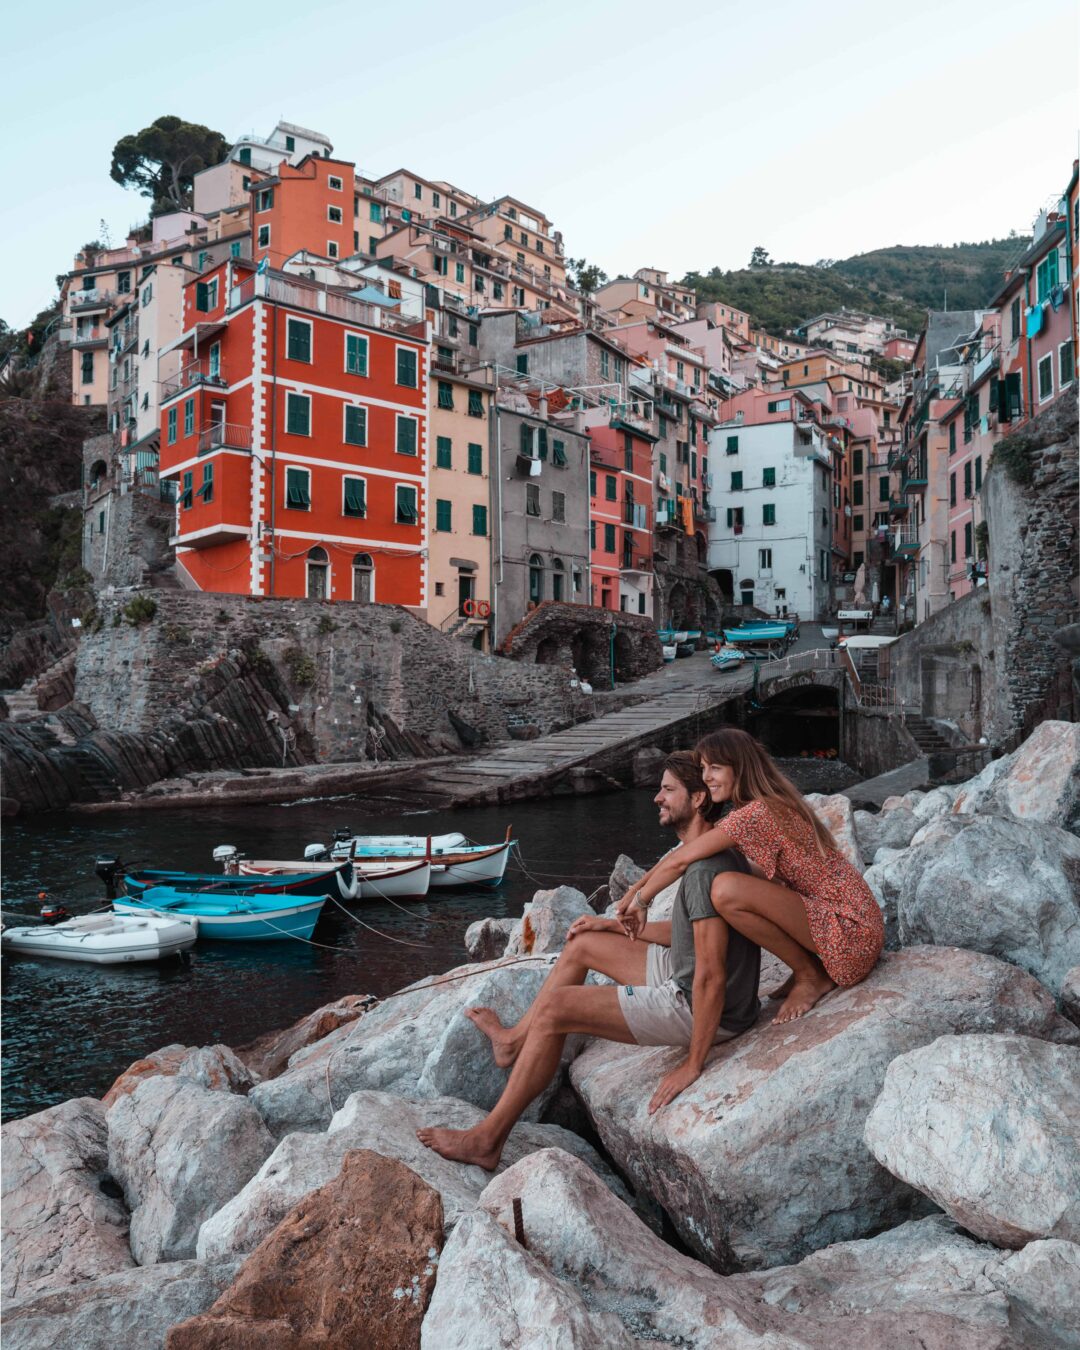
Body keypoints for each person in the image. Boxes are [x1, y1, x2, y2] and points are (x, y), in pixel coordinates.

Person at [416, 752, 762, 1170]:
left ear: (699, 799)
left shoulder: (705, 867)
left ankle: (487, 1140)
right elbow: (691, 937)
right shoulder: (698, 856)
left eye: (668, 790)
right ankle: (511, 1042)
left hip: (703, 1007)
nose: (657, 798)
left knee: (558, 1007)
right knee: (582, 944)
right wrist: (611, 927)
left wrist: (694, 1063)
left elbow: (709, 976)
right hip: (689, 977)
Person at [618, 728, 884, 1024]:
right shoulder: (766, 803)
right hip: (857, 924)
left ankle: (810, 975)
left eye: (715, 768)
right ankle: (807, 967)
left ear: (739, 768)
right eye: (704, 768)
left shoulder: (756, 813)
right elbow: (687, 853)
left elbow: (681, 860)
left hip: (852, 935)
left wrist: (641, 900)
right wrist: (632, 893)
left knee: (725, 891)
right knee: (729, 875)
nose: (706, 777)